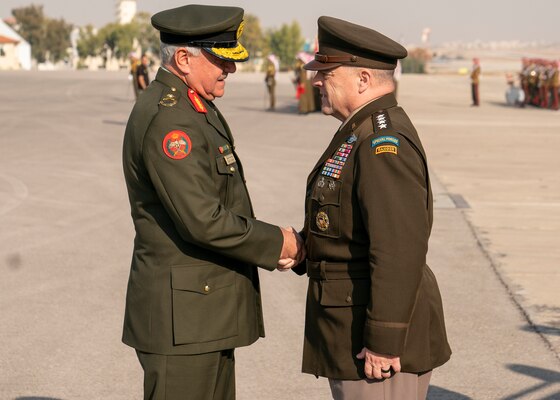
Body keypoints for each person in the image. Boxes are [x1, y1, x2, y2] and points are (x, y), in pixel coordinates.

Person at [121, 5, 304, 399]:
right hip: (183, 320)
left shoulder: (191, 106)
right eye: (220, 59)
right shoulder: (171, 120)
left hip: (199, 315)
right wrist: (280, 244)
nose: (230, 69)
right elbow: (203, 218)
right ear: (183, 59)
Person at [291, 16, 451, 400]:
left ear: (362, 80)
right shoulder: (357, 130)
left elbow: (398, 249)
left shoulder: (382, 144)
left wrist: (383, 339)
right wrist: (301, 249)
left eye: (326, 73)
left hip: (374, 346)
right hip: (351, 324)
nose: (315, 81)